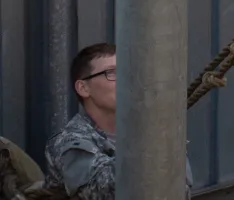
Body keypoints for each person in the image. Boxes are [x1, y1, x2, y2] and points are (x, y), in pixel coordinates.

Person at [42, 43, 193, 200]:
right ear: (83, 88)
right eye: (111, 73)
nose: (125, 81)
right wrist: (152, 146)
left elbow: (182, 190)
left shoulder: (148, 132)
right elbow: (103, 193)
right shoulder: (69, 142)